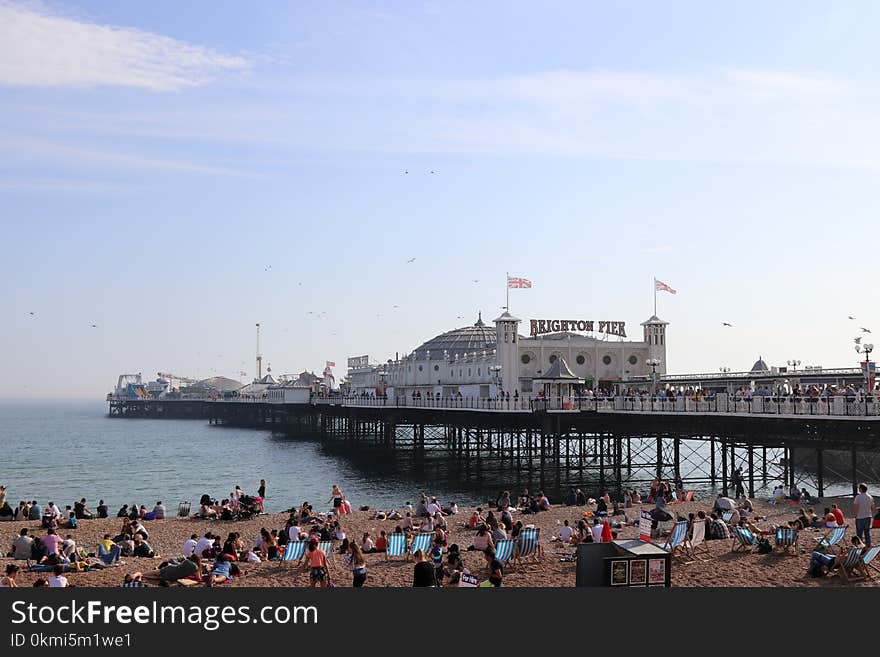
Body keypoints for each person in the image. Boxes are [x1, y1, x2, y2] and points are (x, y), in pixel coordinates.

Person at [853, 483, 876, 548]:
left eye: (859, 488)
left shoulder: (858, 497)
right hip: (868, 516)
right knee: (867, 532)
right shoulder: (870, 497)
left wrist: (855, 515)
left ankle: (860, 546)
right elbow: (872, 507)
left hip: (860, 517)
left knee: (859, 533)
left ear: (860, 489)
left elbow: (856, 507)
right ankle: (868, 545)